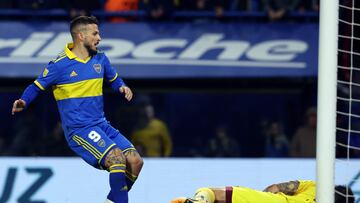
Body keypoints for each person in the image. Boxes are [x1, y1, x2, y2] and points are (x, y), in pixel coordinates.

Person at [11, 16, 143, 203]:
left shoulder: (101, 58)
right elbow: (36, 86)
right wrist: (23, 100)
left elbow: (114, 79)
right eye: (95, 33)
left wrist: (122, 87)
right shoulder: (59, 65)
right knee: (117, 158)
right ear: (81, 36)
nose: (100, 37)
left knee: (136, 162)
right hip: (80, 129)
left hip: (101, 125)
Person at [171, 180, 355, 203]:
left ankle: (199, 202)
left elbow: (276, 188)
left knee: (210, 192)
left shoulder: (315, 186)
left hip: (274, 201)